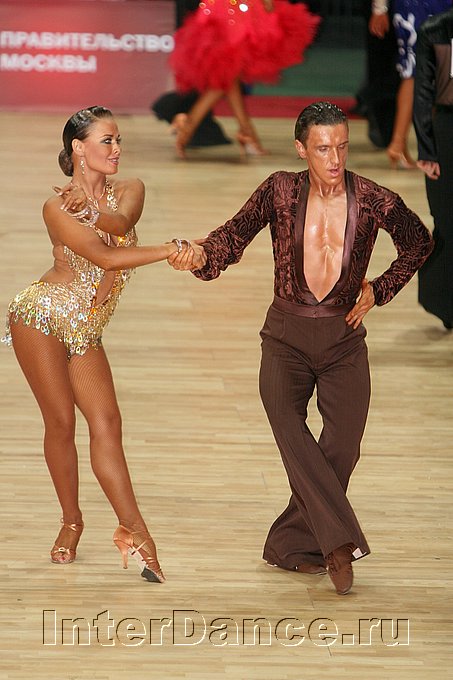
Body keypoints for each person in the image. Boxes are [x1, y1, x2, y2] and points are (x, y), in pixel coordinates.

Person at [168, 102, 433, 595]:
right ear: (301, 149)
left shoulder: (374, 198)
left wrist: (380, 288)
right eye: (323, 149)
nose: (335, 159)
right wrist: (200, 256)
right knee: (288, 426)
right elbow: (232, 237)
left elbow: (419, 242)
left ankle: (289, 543)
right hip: (285, 338)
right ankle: (337, 546)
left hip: (343, 339)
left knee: (344, 444)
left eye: (342, 147)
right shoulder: (279, 190)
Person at [2, 106, 205, 582]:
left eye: (118, 140)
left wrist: (92, 210)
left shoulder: (130, 188)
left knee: (108, 424)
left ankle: (135, 530)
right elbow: (105, 258)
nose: (117, 149)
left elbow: (119, 223)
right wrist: (171, 249)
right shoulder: (54, 208)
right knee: (61, 422)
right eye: (106, 141)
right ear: (79, 148)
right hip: (42, 317)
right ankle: (71, 521)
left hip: (86, 328)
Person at [169, 0, 320, 158]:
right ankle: (190, 128)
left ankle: (242, 134)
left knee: (229, 74)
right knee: (228, 75)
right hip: (237, 10)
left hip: (226, 8)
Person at [370, 0, 451, 169]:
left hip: (441, 7)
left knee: (439, 72)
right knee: (416, 70)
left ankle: (433, 147)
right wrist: (379, 7)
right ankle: (398, 144)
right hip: (419, 7)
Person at [413, 8, 453, 329]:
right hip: (446, 135)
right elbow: (423, 92)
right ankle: (444, 302)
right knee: (447, 219)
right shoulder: (436, 29)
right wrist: (427, 149)